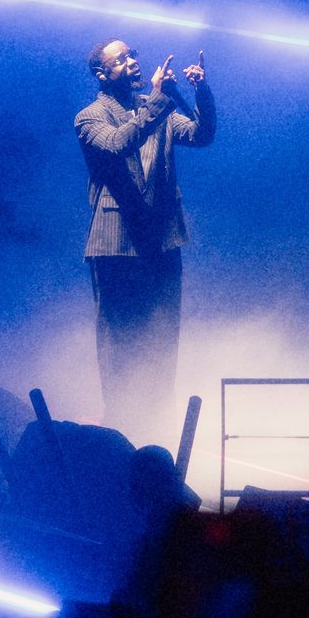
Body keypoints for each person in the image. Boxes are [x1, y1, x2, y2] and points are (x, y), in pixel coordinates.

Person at [75, 41, 216, 439]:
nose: (133, 62)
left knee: (162, 342)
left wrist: (200, 91)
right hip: (116, 245)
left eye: (132, 54)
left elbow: (201, 135)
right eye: (121, 59)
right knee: (119, 344)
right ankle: (120, 431)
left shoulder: (156, 107)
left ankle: (156, 431)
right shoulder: (90, 117)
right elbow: (119, 143)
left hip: (162, 243)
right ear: (102, 74)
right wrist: (158, 99)